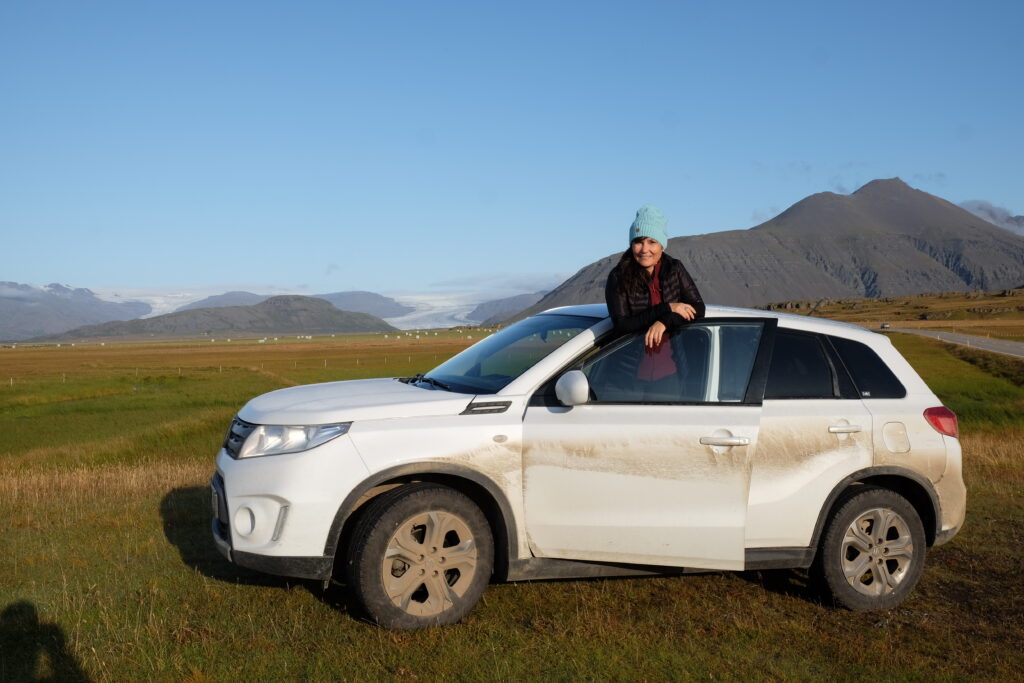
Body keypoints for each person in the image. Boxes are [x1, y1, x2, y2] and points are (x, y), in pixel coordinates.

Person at [604, 205, 705, 394]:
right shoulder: (618, 277)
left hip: (670, 376)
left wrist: (665, 321)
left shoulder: (675, 269)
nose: (644, 249)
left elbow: (698, 308)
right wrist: (665, 308)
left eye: (652, 242)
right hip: (625, 381)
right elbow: (621, 325)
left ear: (662, 244)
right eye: (638, 242)